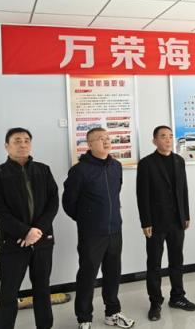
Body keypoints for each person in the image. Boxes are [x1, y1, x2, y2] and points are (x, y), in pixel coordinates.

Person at [0, 127, 59, 329]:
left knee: (42, 289)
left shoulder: (43, 170)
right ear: (6, 146)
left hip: (42, 240)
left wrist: (36, 231)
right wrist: (24, 232)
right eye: (17, 141)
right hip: (13, 241)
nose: (23, 144)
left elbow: (53, 202)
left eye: (27, 140)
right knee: (8, 292)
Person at [63, 128, 135, 329]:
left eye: (107, 138)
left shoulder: (116, 166)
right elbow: (68, 202)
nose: (106, 141)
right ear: (89, 144)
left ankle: (112, 313)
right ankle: (84, 318)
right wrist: (87, 220)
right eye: (100, 138)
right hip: (92, 233)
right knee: (88, 275)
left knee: (113, 273)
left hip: (115, 229)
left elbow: (116, 192)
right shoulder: (79, 170)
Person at [136, 125, 195, 321]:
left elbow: (183, 190)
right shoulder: (146, 163)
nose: (168, 139)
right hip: (155, 222)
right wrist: (145, 221)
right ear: (154, 141)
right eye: (163, 136)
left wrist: (185, 214)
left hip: (177, 220)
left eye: (170, 136)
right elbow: (142, 195)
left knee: (176, 261)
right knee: (154, 264)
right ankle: (155, 302)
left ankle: (177, 297)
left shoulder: (179, 160)